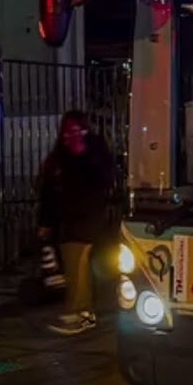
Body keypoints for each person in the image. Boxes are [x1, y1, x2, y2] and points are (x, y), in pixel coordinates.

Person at [37, 111, 116, 335]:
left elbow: (103, 179)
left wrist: (83, 154)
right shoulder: (60, 156)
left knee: (77, 261)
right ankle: (82, 311)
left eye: (75, 130)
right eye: (67, 131)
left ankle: (79, 312)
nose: (71, 135)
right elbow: (50, 190)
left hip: (87, 217)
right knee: (74, 266)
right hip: (68, 219)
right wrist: (45, 221)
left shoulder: (94, 148)